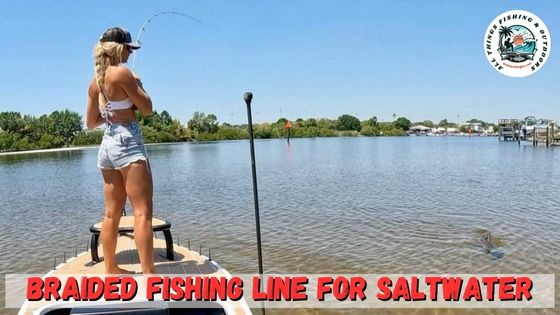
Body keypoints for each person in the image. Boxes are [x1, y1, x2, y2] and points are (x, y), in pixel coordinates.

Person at [85, 27, 155, 274]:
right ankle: (149, 274)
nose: (129, 53)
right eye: (127, 48)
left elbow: (91, 122)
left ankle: (111, 269)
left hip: (107, 146)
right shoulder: (123, 74)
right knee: (142, 212)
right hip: (128, 142)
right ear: (118, 48)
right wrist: (138, 84)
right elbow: (147, 108)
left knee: (111, 214)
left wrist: (112, 113)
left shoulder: (96, 82)